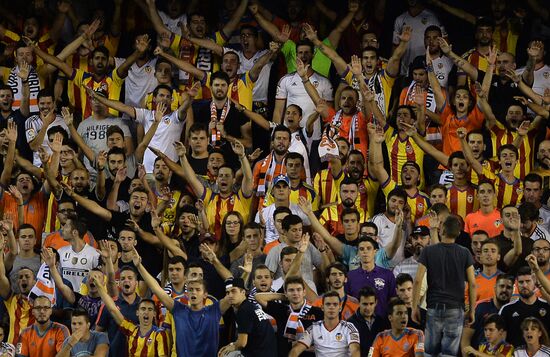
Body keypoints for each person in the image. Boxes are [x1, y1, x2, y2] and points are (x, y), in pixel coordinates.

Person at [412, 214, 476, 357]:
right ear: (459, 233)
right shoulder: (465, 253)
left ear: (442, 231)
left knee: (429, 352)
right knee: (449, 354)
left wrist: (415, 306)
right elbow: (472, 283)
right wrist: (472, 310)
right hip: (455, 309)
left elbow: (417, 281)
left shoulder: (428, 251)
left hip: (434, 307)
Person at [92, 274, 169, 357]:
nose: (146, 312)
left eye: (150, 309)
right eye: (143, 309)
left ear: (154, 314)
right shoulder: (132, 330)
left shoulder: (159, 334)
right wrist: (99, 286)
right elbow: (113, 309)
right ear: (137, 313)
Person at [289, 291, 360, 357]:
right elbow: (296, 349)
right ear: (322, 307)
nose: (331, 307)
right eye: (328, 304)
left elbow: (355, 350)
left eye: (335, 304)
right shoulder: (314, 328)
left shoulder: (349, 328)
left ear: (340, 308)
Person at [219, 277, 278, 357]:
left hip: (259, 353)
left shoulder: (244, 310)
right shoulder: (249, 306)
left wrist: (230, 346)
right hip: (268, 352)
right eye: (228, 293)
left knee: (225, 355)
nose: (230, 295)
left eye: (234, 291)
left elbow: (242, 343)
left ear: (243, 292)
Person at [461, 274, 514, 353]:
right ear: (495, 288)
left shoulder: (513, 311)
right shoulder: (480, 307)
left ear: (513, 290)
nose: (504, 290)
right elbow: (465, 341)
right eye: (501, 286)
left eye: (508, 287)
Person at [499, 266, 550, 347]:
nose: (524, 285)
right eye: (521, 282)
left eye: (528, 281)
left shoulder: (546, 306)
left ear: (535, 282)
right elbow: (500, 340)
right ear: (516, 283)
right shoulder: (507, 309)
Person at [347, 287, 389, 356]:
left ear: (376, 302)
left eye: (371, 304)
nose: (368, 308)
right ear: (359, 303)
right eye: (365, 304)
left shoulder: (381, 322)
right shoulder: (350, 323)